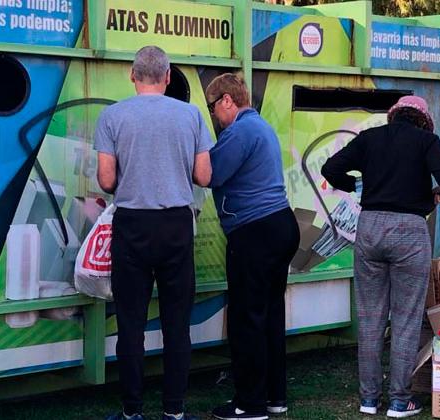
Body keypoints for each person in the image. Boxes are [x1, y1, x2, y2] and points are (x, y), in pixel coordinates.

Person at [321, 95, 440, 418]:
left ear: (394, 115)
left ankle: (368, 399)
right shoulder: (427, 142)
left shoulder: (370, 138)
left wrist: (355, 184)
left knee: (370, 318)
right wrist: (434, 192)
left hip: (369, 228)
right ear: (423, 120)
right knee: (406, 318)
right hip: (410, 232)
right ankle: (400, 401)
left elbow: (330, 167)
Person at [94, 46, 213, 420]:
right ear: (167, 77)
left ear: (132, 76)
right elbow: (204, 177)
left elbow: (106, 179)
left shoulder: (111, 116)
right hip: (176, 224)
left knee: (130, 324)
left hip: (131, 224)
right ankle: (174, 411)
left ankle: (132, 411)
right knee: (177, 324)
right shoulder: (191, 115)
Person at [204, 74, 300, 420]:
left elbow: (211, 173)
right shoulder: (260, 127)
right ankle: (275, 396)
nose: (215, 116)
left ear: (228, 100)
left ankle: (250, 404)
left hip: (255, 231)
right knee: (270, 315)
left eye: (215, 108)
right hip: (280, 225)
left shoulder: (240, 131)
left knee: (247, 318)